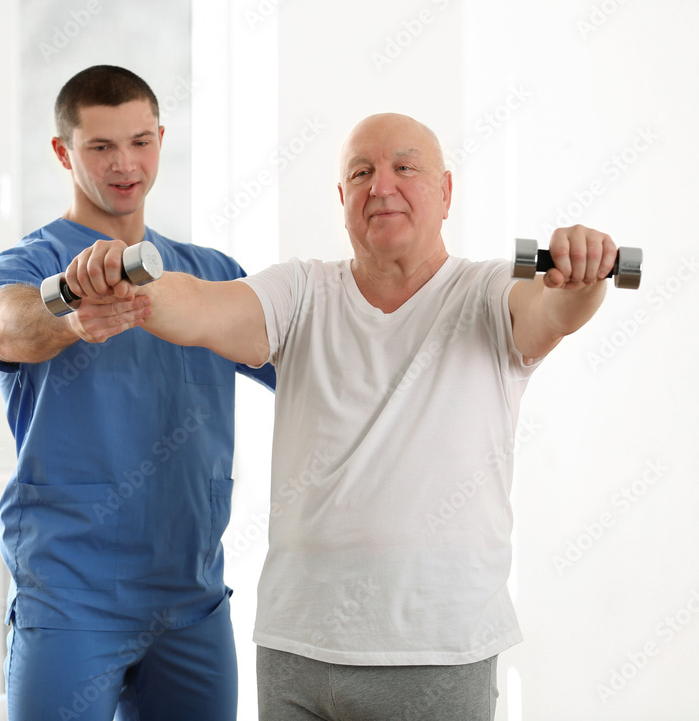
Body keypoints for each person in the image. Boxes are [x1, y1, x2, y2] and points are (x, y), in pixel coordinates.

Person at [63, 112, 618, 720]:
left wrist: (583, 276)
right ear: (342, 198)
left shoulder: (487, 293)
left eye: (404, 167)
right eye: (361, 173)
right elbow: (200, 305)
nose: (381, 186)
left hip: (437, 652)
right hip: (298, 651)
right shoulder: (301, 291)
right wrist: (129, 280)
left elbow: (554, 311)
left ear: (445, 192)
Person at [0, 65, 275, 721]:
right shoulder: (32, 264)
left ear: (161, 139)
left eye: (140, 141)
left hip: (190, 599)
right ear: (64, 152)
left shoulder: (210, 274)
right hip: (71, 598)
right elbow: (0, 326)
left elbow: (313, 359)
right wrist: (70, 309)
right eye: (101, 146)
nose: (125, 164)